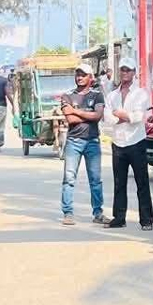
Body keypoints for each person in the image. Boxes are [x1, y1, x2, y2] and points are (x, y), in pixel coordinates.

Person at [105, 60, 153, 230]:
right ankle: (119, 217)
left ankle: (146, 219)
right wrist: (123, 116)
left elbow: (138, 117)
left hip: (136, 141)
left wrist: (119, 115)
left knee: (142, 182)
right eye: (122, 70)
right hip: (118, 141)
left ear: (134, 72)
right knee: (119, 182)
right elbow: (108, 119)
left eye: (128, 70)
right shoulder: (112, 95)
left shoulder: (140, 93)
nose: (125, 73)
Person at [57, 64, 106, 226]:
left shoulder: (97, 95)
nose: (79, 77)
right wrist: (88, 114)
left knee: (96, 179)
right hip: (74, 141)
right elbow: (70, 120)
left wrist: (76, 111)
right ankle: (68, 213)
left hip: (92, 140)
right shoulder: (67, 96)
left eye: (83, 75)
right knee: (69, 178)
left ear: (90, 77)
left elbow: (98, 116)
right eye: (77, 74)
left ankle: (98, 213)